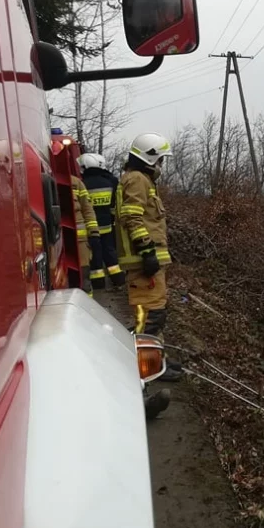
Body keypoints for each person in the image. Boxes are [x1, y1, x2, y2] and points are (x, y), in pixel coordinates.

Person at [114, 133, 182, 382]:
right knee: (149, 318)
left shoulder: (143, 180)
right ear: (149, 157)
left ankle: (156, 361)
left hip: (151, 263)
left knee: (156, 313)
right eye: (160, 159)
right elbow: (132, 217)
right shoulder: (137, 180)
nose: (161, 165)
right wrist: (146, 251)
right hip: (144, 263)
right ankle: (139, 368)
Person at [78, 153, 126, 291]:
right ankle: (119, 281)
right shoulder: (110, 182)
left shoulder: (83, 184)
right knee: (110, 254)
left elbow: (83, 207)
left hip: (91, 228)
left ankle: (98, 285)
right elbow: (114, 205)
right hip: (107, 226)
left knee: (95, 257)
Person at [71, 174, 100, 297]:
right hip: (55, 242)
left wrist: (94, 233)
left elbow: (88, 210)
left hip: (80, 242)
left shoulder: (76, 183)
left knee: (84, 280)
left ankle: (88, 310)